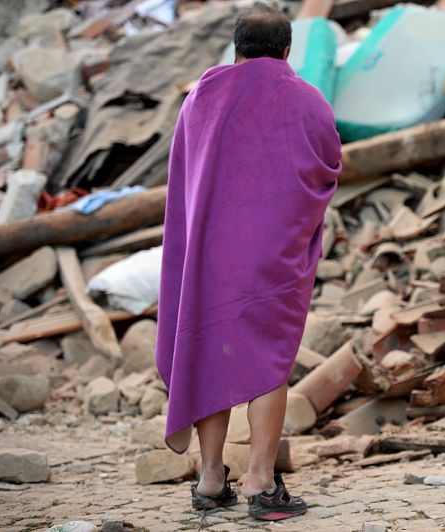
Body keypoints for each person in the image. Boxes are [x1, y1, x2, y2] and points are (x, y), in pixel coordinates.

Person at [154, 4, 342, 522]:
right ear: (287, 50)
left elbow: (184, 176)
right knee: (268, 358)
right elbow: (327, 164)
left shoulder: (200, 97)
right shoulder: (305, 97)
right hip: (270, 257)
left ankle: (212, 477)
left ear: (235, 50)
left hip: (209, 253)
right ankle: (260, 479)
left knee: (210, 349)